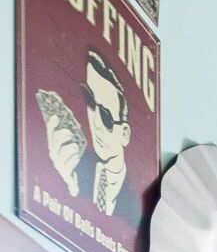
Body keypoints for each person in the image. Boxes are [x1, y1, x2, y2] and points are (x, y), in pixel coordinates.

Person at [37, 49, 142, 227]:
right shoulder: (74, 164)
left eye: (107, 117)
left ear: (124, 133)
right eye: (90, 101)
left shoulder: (135, 208)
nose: (96, 122)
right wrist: (70, 186)